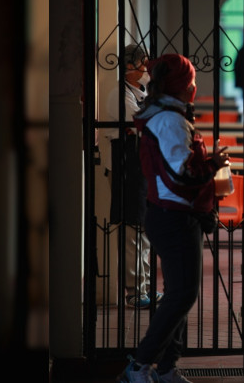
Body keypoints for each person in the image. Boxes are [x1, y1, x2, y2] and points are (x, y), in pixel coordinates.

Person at [119, 53, 230, 383]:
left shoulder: (168, 115)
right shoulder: (169, 120)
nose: (196, 86)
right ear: (184, 86)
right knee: (182, 295)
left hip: (173, 214)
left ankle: (167, 368)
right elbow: (179, 174)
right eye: (192, 81)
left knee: (179, 294)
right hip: (174, 216)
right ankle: (140, 365)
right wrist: (212, 166)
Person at [104, 43, 162, 309]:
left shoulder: (141, 91)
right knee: (131, 232)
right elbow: (141, 126)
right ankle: (134, 292)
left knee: (145, 231)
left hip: (143, 169)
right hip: (128, 168)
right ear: (128, 67)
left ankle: (146, 286)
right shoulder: (119, 94)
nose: (146, 69)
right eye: (142, 64)